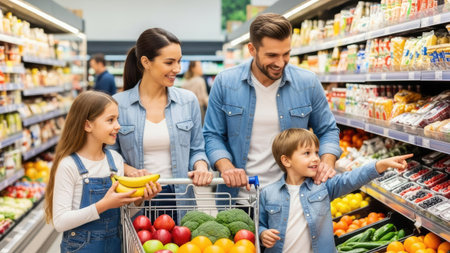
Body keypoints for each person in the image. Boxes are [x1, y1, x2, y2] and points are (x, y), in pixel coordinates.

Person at [203, 13, 340, 205]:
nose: (280, 63)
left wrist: (327, 161)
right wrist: (226, 166)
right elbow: (212, 135)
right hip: (239, 199)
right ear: (252, 49)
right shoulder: (226, 83)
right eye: (272, 55)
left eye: (286, 54)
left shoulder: (307, 83)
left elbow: (328, 130)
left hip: (294, 198)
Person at [109, 28, 213, 222]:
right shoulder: (118, 104)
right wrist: (132, 171)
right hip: (136, 199)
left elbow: (197, 149)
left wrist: (201, 166)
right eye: (169, 62)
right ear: (146, 62)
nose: (177, 69)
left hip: (181, 198)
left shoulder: (187, 101)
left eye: (179, 61)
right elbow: (108, 155)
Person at [259, 128, 412, 253]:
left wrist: (380, 165)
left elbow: (351, 178)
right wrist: (262, 234)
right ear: (286, 160)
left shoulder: (322, 186)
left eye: (316, 152)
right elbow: (259, 224)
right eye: (307, 153)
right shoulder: (267, 193)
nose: (316, 158)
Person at [44, 91, 162, 253]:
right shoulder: (69, 165)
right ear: (87, 125)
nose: (118, 126)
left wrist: (139, 200)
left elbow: (123, 213)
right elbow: (60, 222)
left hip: (114, 245)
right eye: (110, 120)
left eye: (117, 119)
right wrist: (102, 206)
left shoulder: (115, 161)